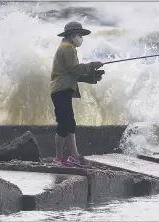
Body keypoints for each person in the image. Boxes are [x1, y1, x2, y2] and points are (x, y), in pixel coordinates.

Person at [50, 21, 104, 167]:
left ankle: (74, 155)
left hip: (63, 90)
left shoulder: (67, 47)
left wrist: (92, 76)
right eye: (79, 35)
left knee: (69, 123)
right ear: (72, 35)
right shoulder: (68, 48)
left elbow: (72, 74)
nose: (81, 38)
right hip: (61, 91)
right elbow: (75, 69)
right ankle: (58, 158)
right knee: (64, 124)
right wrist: (93, 65)